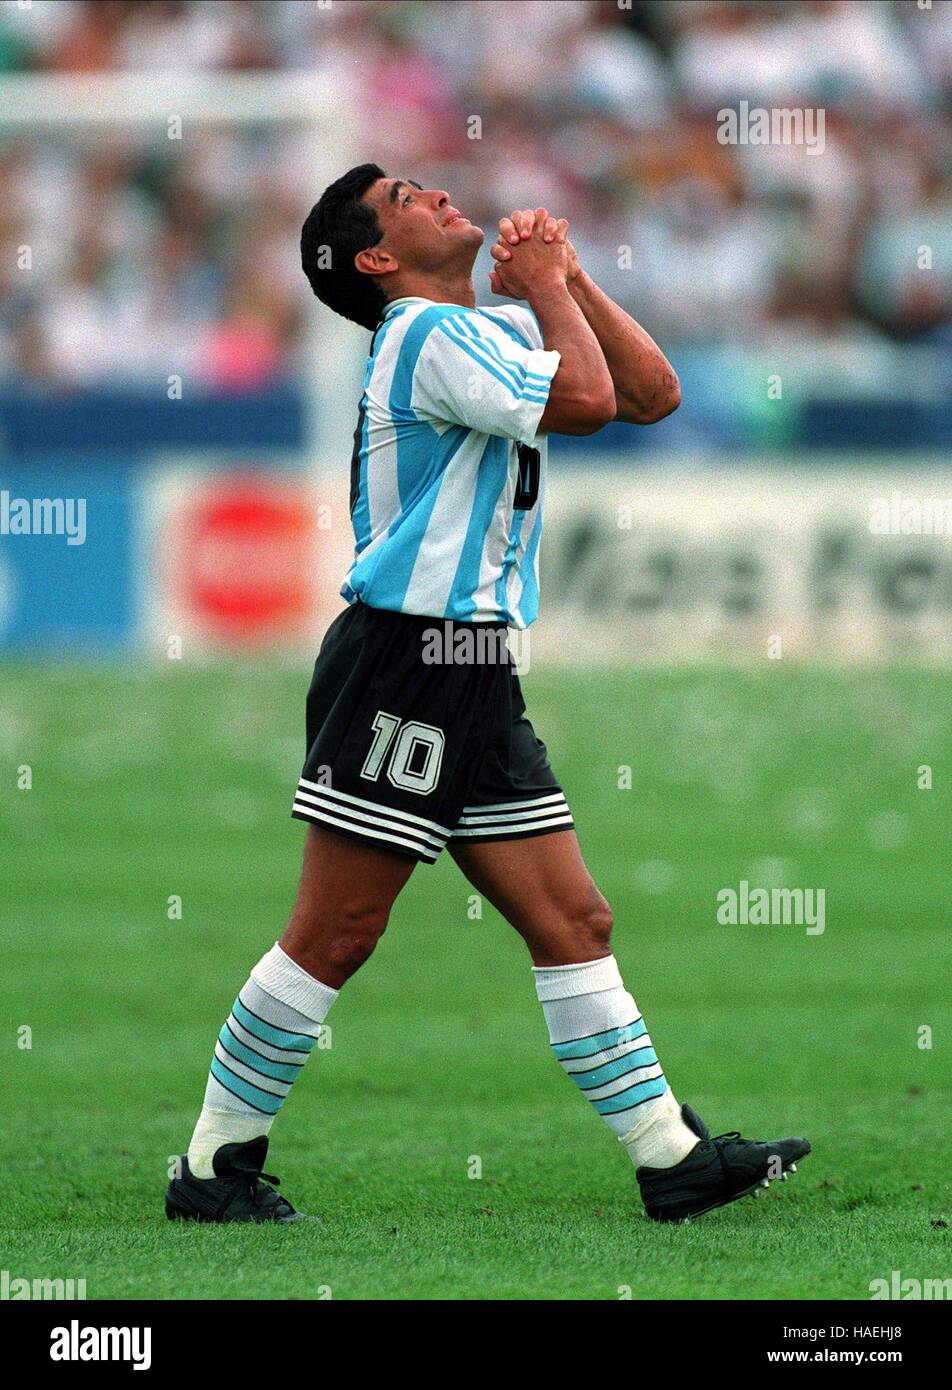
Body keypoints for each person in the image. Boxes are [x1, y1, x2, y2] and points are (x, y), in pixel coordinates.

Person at [165, 164, 808, 1225]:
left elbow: (652, 393)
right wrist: (548, 286)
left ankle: (671, 1158)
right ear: (378, 258)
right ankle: (211, 1166)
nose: (435, 196)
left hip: (473, 665)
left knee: (573, 916)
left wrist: (572, 279)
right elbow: (593, 402)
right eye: (407, 198)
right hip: (407, 660)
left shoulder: (483, 331)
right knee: (336, 933)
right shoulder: (420, 333)